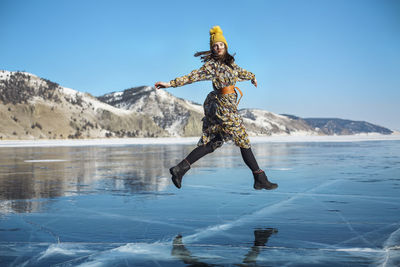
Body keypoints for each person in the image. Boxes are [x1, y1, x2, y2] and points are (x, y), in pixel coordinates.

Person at [155, 25, 277, 191]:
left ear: (225, 46)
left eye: (221, 45)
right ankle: (259, 177)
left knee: (215, 141)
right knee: (243, 139)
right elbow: (193, 76)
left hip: (226, 105)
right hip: (222, 107)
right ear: (212, 49)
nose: (218, 47)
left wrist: (253, 77)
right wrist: (170, 84)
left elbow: (242, 72)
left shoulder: (231, 64)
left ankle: (180, 168)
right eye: (215, 46)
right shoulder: (211, 65)